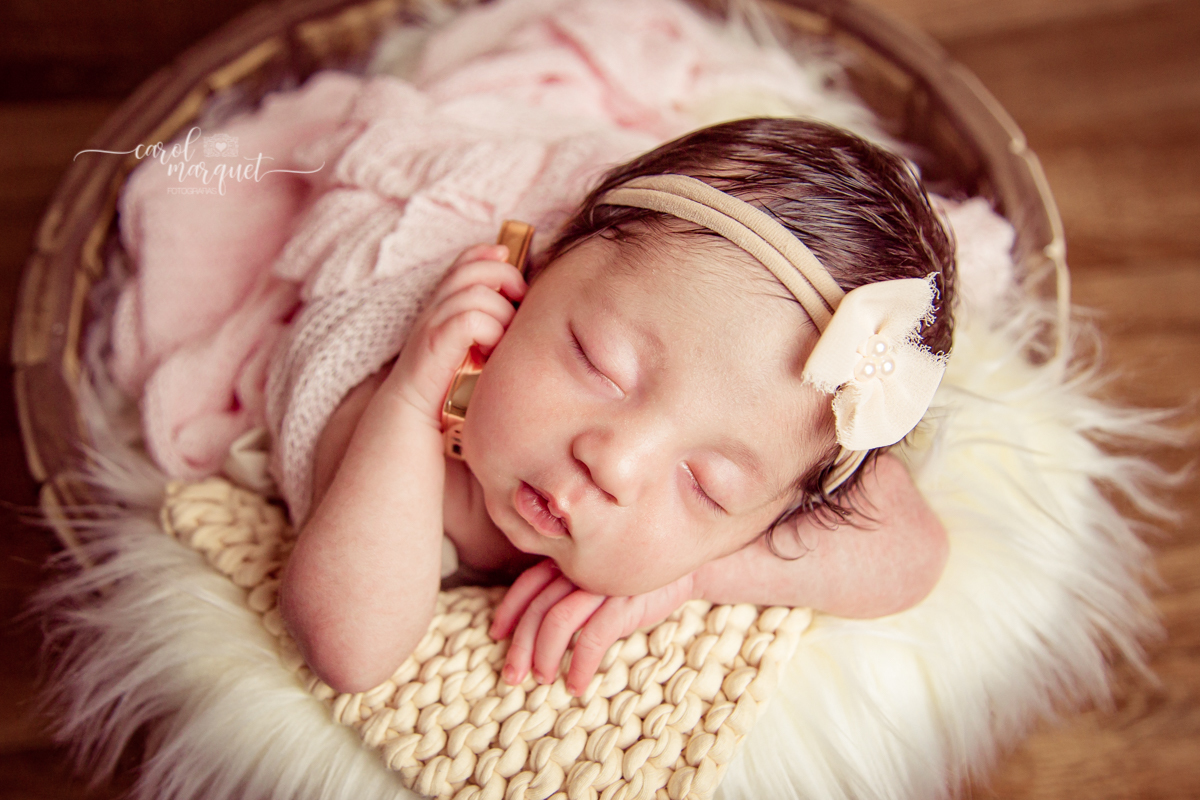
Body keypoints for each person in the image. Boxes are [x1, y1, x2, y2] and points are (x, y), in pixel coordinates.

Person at [279, 117, 954, 697]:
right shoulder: (419, 422)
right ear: (535, 273)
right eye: (601, 365)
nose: (615, 463)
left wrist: (692, 576)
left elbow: (914, 551)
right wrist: (405, 398)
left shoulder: (766, 480)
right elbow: (347, 650)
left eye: (706, 487)